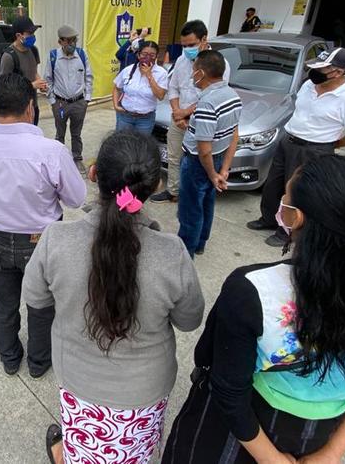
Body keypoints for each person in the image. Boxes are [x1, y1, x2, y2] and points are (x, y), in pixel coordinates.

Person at [163, 155, 345, 463]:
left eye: (287, 198)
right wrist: (331, 453)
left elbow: (227, 387)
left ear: (297, 218)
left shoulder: (254, 289)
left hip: (241, 432)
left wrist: (271, 458)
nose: (281, 201)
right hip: (319, 437)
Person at [23, 131, 205, 464]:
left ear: (93, 174)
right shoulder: (172, 253)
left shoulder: (56, 239)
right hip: (145, 391)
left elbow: (35, 299)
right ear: (153, 187)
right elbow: (189, 320)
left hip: (77, 381)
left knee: (84, 452)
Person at [0, 73, 87, 378]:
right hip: (42, 241)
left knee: (3, 302)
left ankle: (9, 356)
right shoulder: (50, 151)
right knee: (42, 305)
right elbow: (77, 198)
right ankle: (40, 362)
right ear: (30, 107)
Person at [247, 47, 345, 247]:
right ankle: (268, 218)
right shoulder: (309, 85)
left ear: (337, 72)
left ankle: (286, 231)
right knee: (273, 184)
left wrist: (332, 143)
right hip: (289, 141)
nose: (314, 72)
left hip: (314, 150)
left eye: (321, 68)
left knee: (297, 191)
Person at [151, 19, 231, 203]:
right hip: (179, 119)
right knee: (173, 156)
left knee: (198, 161)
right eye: (184, 45)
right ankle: (173, 191)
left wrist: (185, 113)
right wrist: (177, 112)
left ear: (204, 39)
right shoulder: (181, 60)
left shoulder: (220, 64)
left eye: (191, 45)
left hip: (201, 122)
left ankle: (193, 196)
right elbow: (173, 88)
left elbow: (214, 96)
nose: (187, 49)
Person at [177, 50, 242, 258]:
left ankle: (186, 252)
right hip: (218, 158)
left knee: (191, 209)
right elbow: (233, 135)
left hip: (199, 163)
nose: (192, 73)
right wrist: (223, 170)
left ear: (201, 73)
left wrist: (213, 174)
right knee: (207, 203)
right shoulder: (233, 96)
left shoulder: (207, 103)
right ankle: (200, 242)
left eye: (194, 69)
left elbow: (204, 149)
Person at [45, 24, 93, 174]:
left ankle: (77, 159)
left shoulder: (82, 55)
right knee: (60, 133)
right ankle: (59, 161)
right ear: (60, 42)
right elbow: (48, 80)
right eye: (68, 41)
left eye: (74, 40)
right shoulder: (53, 56)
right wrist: (53, 101)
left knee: (76, 133)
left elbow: (89, 77)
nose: (72, 43)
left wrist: (87, 99)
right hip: (60, 103)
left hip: (79, 102)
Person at [112, 40, 168, 135]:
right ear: (138, 55)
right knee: (122, 145)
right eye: (144, 54)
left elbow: (160, 96)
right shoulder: (128, 70)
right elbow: (116, 88)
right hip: (125, 116)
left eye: (152, 55)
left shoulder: (161, 73)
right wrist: (116, 106)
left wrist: (149, 75)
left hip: (145, 119)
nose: (147, 57)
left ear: (156, 57)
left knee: (141, 147)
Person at [0, 15, 48, 125]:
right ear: (18, 35)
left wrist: (41, 84)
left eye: (33, 33)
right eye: (30, 34)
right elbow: (4, 86)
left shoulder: (34, 50)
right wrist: (32, 85)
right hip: (16, 110)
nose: (33, 36)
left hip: (32, 106)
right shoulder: (9, 56)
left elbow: (34, 72)